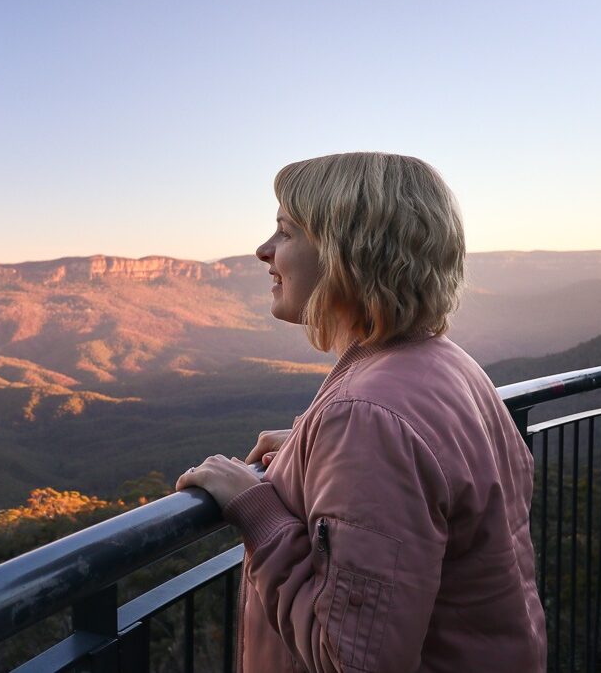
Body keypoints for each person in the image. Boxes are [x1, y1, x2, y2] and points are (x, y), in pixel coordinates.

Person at [177, 152, 546, 672]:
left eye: (285, 231)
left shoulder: (369, 418)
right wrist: (313, 450)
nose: (263, 250)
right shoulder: (447, 363)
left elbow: (350, 661)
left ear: (347, 253)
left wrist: (255, 508)